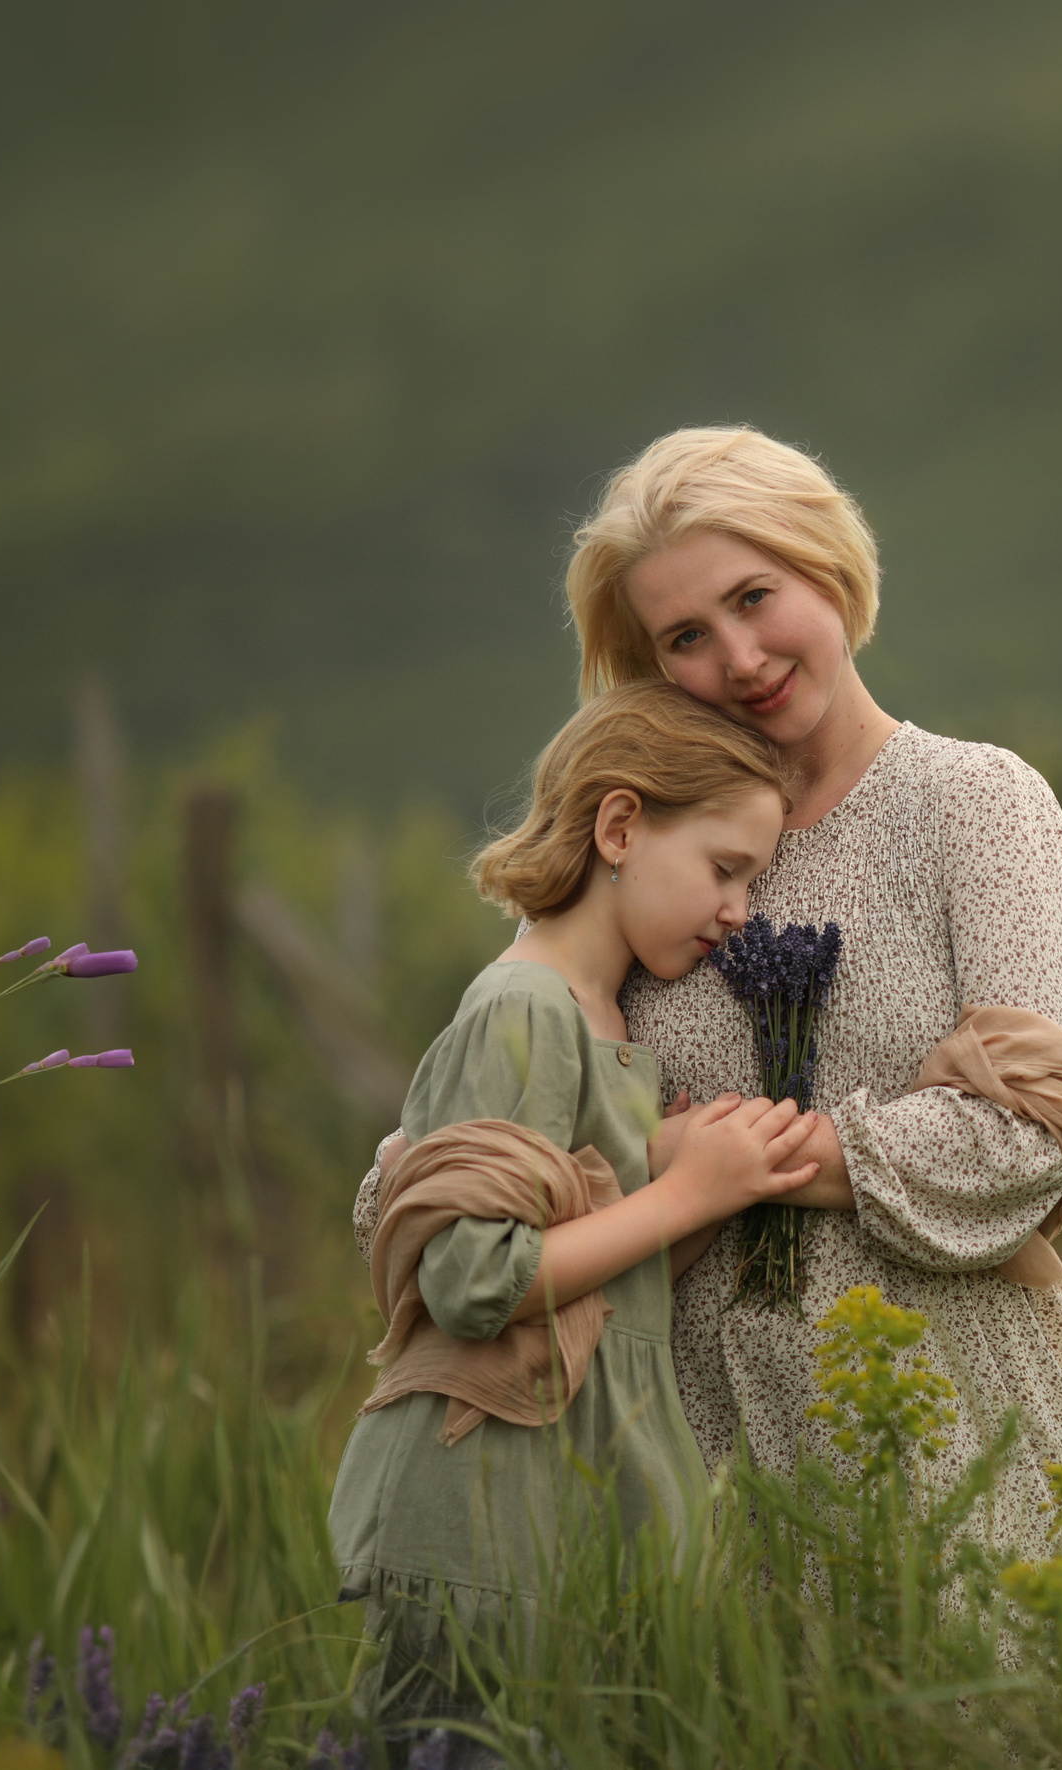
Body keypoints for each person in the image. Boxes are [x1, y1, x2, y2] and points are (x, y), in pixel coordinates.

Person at [565, 426, 1062, 1606]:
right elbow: (463, 1168)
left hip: (965, 1441)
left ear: (829, 570)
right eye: (686, 636)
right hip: (695, 1470)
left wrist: (746, 1161)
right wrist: (660, 1166)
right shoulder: (632, 837)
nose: (740, 656)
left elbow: (1033, 1136)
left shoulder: (970, 804)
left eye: (757, 596)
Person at [330, 682, 824, 1745]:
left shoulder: (606, 1023)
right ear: (618, 825)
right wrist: (686, 1190)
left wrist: (682, 1193)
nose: (742, 908)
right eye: (724, 868)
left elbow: (602, 1283)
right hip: (492, 1519)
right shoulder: (520, 1010)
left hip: (579, 1510)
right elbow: (469, 1280)